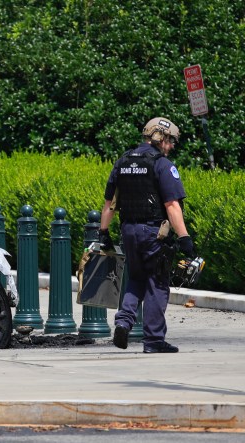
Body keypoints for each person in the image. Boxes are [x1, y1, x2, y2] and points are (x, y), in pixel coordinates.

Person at [98, 117, 195, 353]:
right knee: (157, 283)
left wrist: (103, 233)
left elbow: (110, 202)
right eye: (170, 141)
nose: (171, 146)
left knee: (137, 278)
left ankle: (123, 321)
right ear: (159, 137)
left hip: (128, 230)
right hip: (154, 232)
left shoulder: (122, 162)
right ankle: (153, 341)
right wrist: (185, 239)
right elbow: (172, 205)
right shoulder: (162, 165)